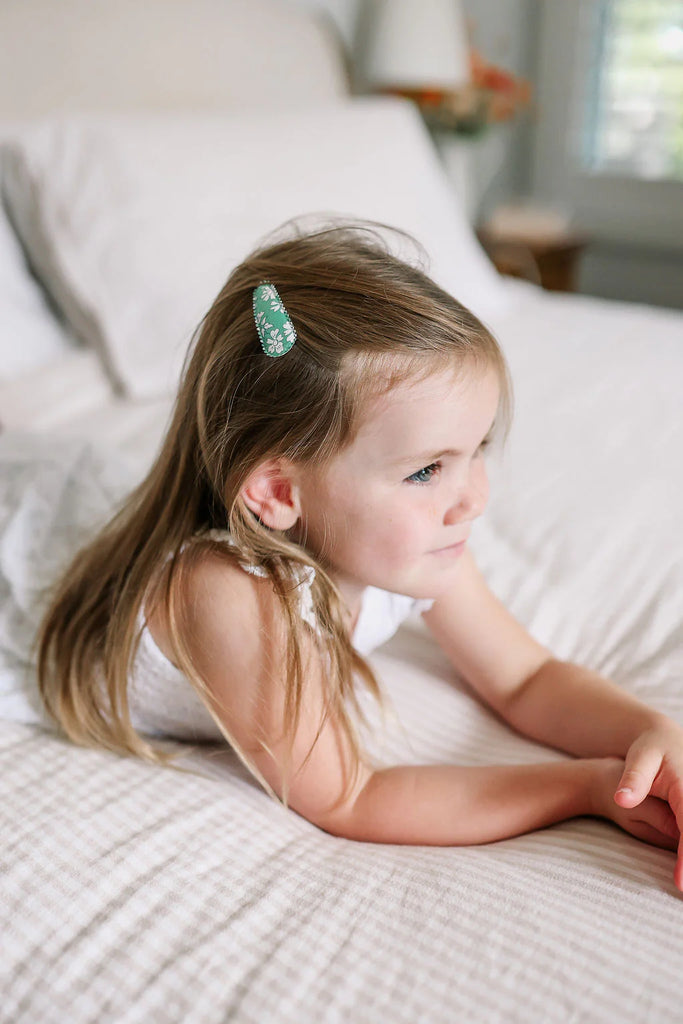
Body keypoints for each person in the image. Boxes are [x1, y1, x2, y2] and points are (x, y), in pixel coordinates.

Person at [37, 218, 683, 889]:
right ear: (280, 492)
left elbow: (525, 680)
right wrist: (585, 789)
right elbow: (352, 797)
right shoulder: (227, 591)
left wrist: (648, 733)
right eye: (427, 470)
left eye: (477, 451)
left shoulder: (417, 545)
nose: (471, 501)